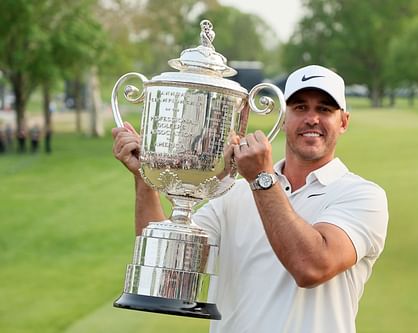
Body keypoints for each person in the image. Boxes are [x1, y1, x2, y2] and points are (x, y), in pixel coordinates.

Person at [112, 65, 389, 333]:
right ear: (283, 118)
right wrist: (145, 178)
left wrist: (260, 178)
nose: (312, 118)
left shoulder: (363, 196)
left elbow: (311, 267)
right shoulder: (234, 192)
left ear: (343, 122)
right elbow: (168, 269)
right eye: (300, 107)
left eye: (325, 109)